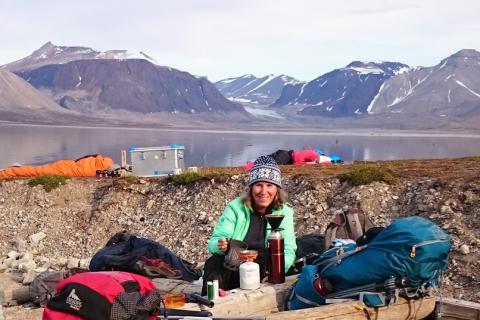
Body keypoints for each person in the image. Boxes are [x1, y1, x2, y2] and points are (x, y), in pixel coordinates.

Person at [202, 156, 297, 294]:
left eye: (269, 185)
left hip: (265, 270)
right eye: (259, 185)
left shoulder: (284, 213)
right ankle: (213, 301)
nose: (264, 191)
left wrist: (273, 273)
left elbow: (288, 251)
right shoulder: (236, 208)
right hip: (234, 265)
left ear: (277, 189)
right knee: (215, 262)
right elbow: (214, 242)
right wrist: (221, 245)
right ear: (251, 187)